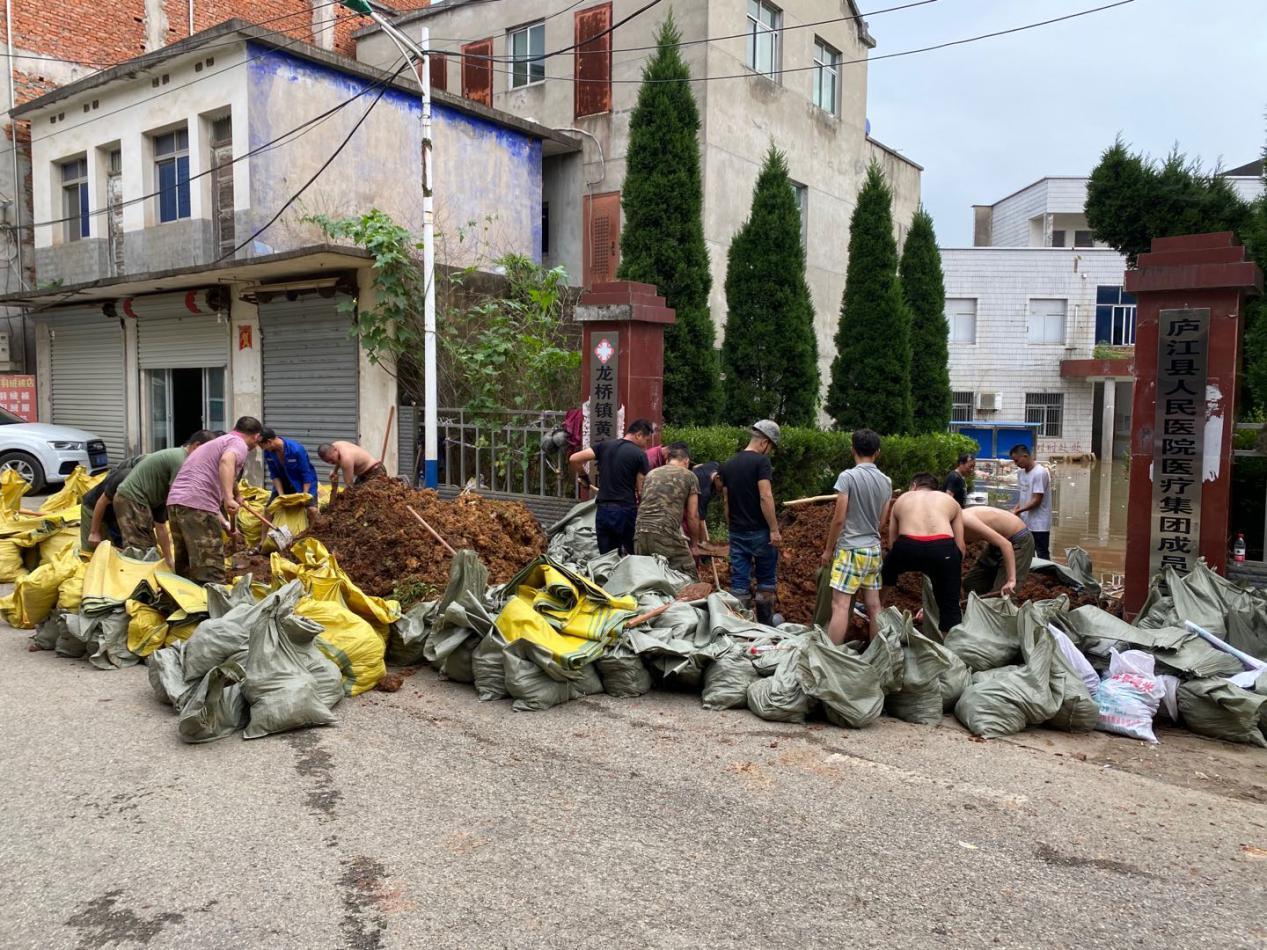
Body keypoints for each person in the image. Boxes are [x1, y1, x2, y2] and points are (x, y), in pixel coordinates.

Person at [166, 417, 264, 584]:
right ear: (256, 437)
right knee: (210, 569)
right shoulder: (238, 443)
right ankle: (215, 608)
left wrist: (234, 503)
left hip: (177, 503)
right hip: (197, 505)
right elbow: (227, 461)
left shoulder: (219, 442)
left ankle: (185, 606)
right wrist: (228, 498)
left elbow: (223, 476)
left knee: (186, 566)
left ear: (234, 427)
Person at [820, 429, 892, 644]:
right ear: (877, 452)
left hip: (851, 549)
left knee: (840, 606)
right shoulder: (886, 481)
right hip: (873, 550)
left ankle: (831, 657)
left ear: (853, 449)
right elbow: (882, 522)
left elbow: (839, 518)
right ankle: (877, 653)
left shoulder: (848, 477)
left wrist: (828, 549)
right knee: (874, 606)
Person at [109, 430, 217, 567]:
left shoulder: (178, 460)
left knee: (149, 546)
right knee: (140, 549)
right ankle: (136, 582)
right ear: (196, 445)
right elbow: (180, 498)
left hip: (148, 501)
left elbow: (161, 527)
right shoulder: (182, 461)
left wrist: (168, 559)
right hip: (132, 499)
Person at [882, 473, 965, 635]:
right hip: (943, 549)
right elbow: (960, 545)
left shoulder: (903, 498)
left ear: (914, 486)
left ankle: (876, 607)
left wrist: (895, 564)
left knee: (885, 577)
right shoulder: (951, 502)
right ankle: (951, 650)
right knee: (950, 607)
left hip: (907, 545)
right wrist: (953, 573)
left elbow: (892, 542)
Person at [721, 420, 781, 624]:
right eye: (771, 447)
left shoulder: (729, 464)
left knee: (739, 582)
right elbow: (765, 496)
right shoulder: (761, 463)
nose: (769, 452)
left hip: (737, 531)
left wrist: (732, 526)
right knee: (765, 581)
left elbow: (726, 502)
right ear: (765, 443)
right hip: (760, 533)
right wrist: (774, 529)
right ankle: (765, 626)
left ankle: (739, 626)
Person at [568, 419, 653, 556]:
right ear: (638, 435)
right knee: (634, 555)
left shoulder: (604, 446)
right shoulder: (639, 455)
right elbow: (641, 489)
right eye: (646, 440)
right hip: (625, 511)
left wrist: (584, 477)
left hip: (603, 511)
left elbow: (574, 459)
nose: (646, 445)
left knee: (607, 558)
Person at [634, 442, 701, 578]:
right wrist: (694, 545)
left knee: (648, 578)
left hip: (639, 533)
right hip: (665, 533)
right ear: (686, 461)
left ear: (666, 460)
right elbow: (692, 515)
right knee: (688, 575)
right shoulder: (689, 476)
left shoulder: (651, 474)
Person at [961, 506, 1034, 598]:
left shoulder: (966, 520)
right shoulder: (947, 526)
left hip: (1017, 540)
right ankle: (975, 608)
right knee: (970, 584)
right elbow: (959, 551)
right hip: (995, 542)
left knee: (1004, 593)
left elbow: (1006, 545)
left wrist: (1011, 580)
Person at [80, 455, 143, 553]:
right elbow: (101, 502)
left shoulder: (149, 483)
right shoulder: (124, 477)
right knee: (93, 552)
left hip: (115, 515)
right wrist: (94, 532)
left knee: (120, 551)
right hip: (93, 508)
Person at [261, 428, 319, 514]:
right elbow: (274, 475)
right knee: (269, 510)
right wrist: (281, 496)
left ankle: (311, 528)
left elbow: (306, 474)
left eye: (261, 445)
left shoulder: (296, 449)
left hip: (304, 483)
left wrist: (303, 496)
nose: (261, 448)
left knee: (311, 511)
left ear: (269, 442)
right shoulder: (268, 452)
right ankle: (266, 528)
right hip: (284, 483)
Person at [1009, 445, 1052, 559]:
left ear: (1025, 456)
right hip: (1025, 522)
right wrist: (1016, 509)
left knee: (1042, 553)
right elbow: (1023, 496)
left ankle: (1047, 575)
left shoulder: (1040, 472)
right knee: (1027, 552)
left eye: (1016, 460)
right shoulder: (1020, 473)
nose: (1015, 463)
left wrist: (1018, 510)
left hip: (1039, 524)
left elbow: (1036, 500)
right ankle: (1030, 575)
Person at [318, 441, 385, 494]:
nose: (330, 463)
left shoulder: (346, 459)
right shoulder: (336, 445)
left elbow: (349, 484)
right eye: (327, 461)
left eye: (331, 460)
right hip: (363, 475)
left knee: (367, 497)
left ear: (335, 450)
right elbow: (338, 460)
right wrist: (335, 471)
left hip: (375, 472)